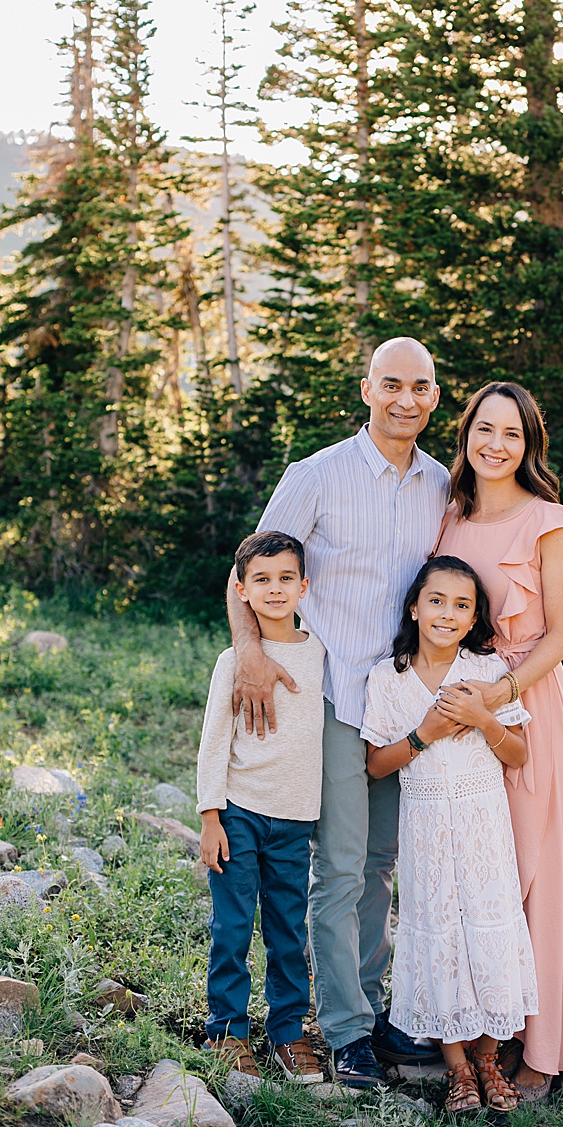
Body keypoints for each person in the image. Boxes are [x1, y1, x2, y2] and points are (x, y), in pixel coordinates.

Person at [231, 337, 495, 1087]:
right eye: (391, 385)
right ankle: (344, 1029)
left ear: (436, 396)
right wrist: (252, 656)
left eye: (420, 387)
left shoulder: (442, 487)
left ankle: (372, 1014)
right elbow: (244, 570)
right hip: (335, 697)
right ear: (367, 389)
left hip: (402, 702)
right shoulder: (317, 475)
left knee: (383, 864)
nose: (405, 399)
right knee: (342, 867)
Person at [434, 380, 563, 1097]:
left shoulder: (550, 523)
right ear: (467, 434)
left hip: (530, 706)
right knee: (481, 876)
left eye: (511, 434)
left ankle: (543, 1051)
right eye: (485, 429)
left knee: (538, 872)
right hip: (461, 714)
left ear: (528, 444)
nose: (495, 444)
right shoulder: (449, 519)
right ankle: (486, 1038)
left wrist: (501, 694)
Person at [362, 556, 537, 1114]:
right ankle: (457, 1066)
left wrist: (486, 719)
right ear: (414, 607)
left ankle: (488, 1058)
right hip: (428, 828)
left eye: (462, 605)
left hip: (484, 823)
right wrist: (426, 732)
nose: (447, 613)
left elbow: (518, 753)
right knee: (438, 932)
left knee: (490, 930)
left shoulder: (486, 672)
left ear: (473, 619)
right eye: (436, 601)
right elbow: (376, 764)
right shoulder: (387, 678)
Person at [196, 531, 327, 1083]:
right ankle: (227, 1030)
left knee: (287, 929)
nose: (275, 589)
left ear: (304, 585)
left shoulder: (321, 653)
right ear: (243, 590)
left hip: (296, 818)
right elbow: (213, 741)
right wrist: (210, 818)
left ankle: (289, 1031)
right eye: (261, 580)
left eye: (285, 579)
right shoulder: (234, 660)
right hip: (240, 813)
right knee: (231, 926)